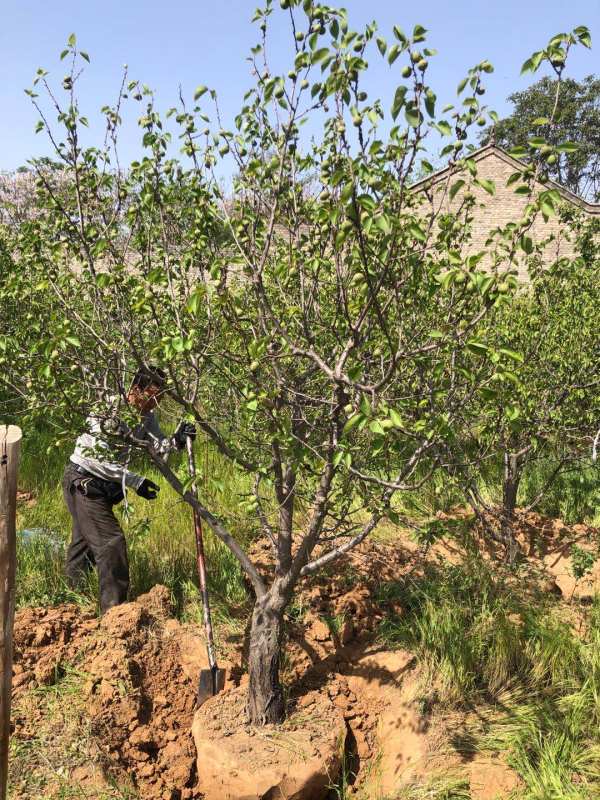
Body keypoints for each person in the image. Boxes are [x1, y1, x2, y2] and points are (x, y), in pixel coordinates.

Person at [62, 366, 196, 613]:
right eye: (154, 397)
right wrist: (136, 482)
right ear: (137, 389)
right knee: (110, 543)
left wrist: (177, 440)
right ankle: (115, 614)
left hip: (101, 488)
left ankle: (71, 606)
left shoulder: (147, 417)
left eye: (160, 398)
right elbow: (96, 461)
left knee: (83, 548)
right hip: (84, 483)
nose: (156, 404)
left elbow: (158, 446)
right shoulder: (109, 410)